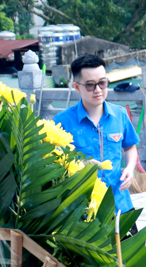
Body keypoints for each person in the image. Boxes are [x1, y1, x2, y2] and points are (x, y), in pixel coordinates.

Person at [55, 54, 140, 217]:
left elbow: (130, 146)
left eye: (102, 83)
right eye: (90, 85)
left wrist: (130, 168)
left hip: (119, 202)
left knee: (130, 242)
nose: (98, 90)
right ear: (76, 87)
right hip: (81, 206)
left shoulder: (120, 114)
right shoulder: (62, 121)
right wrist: (80, 163)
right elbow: (55, 161)